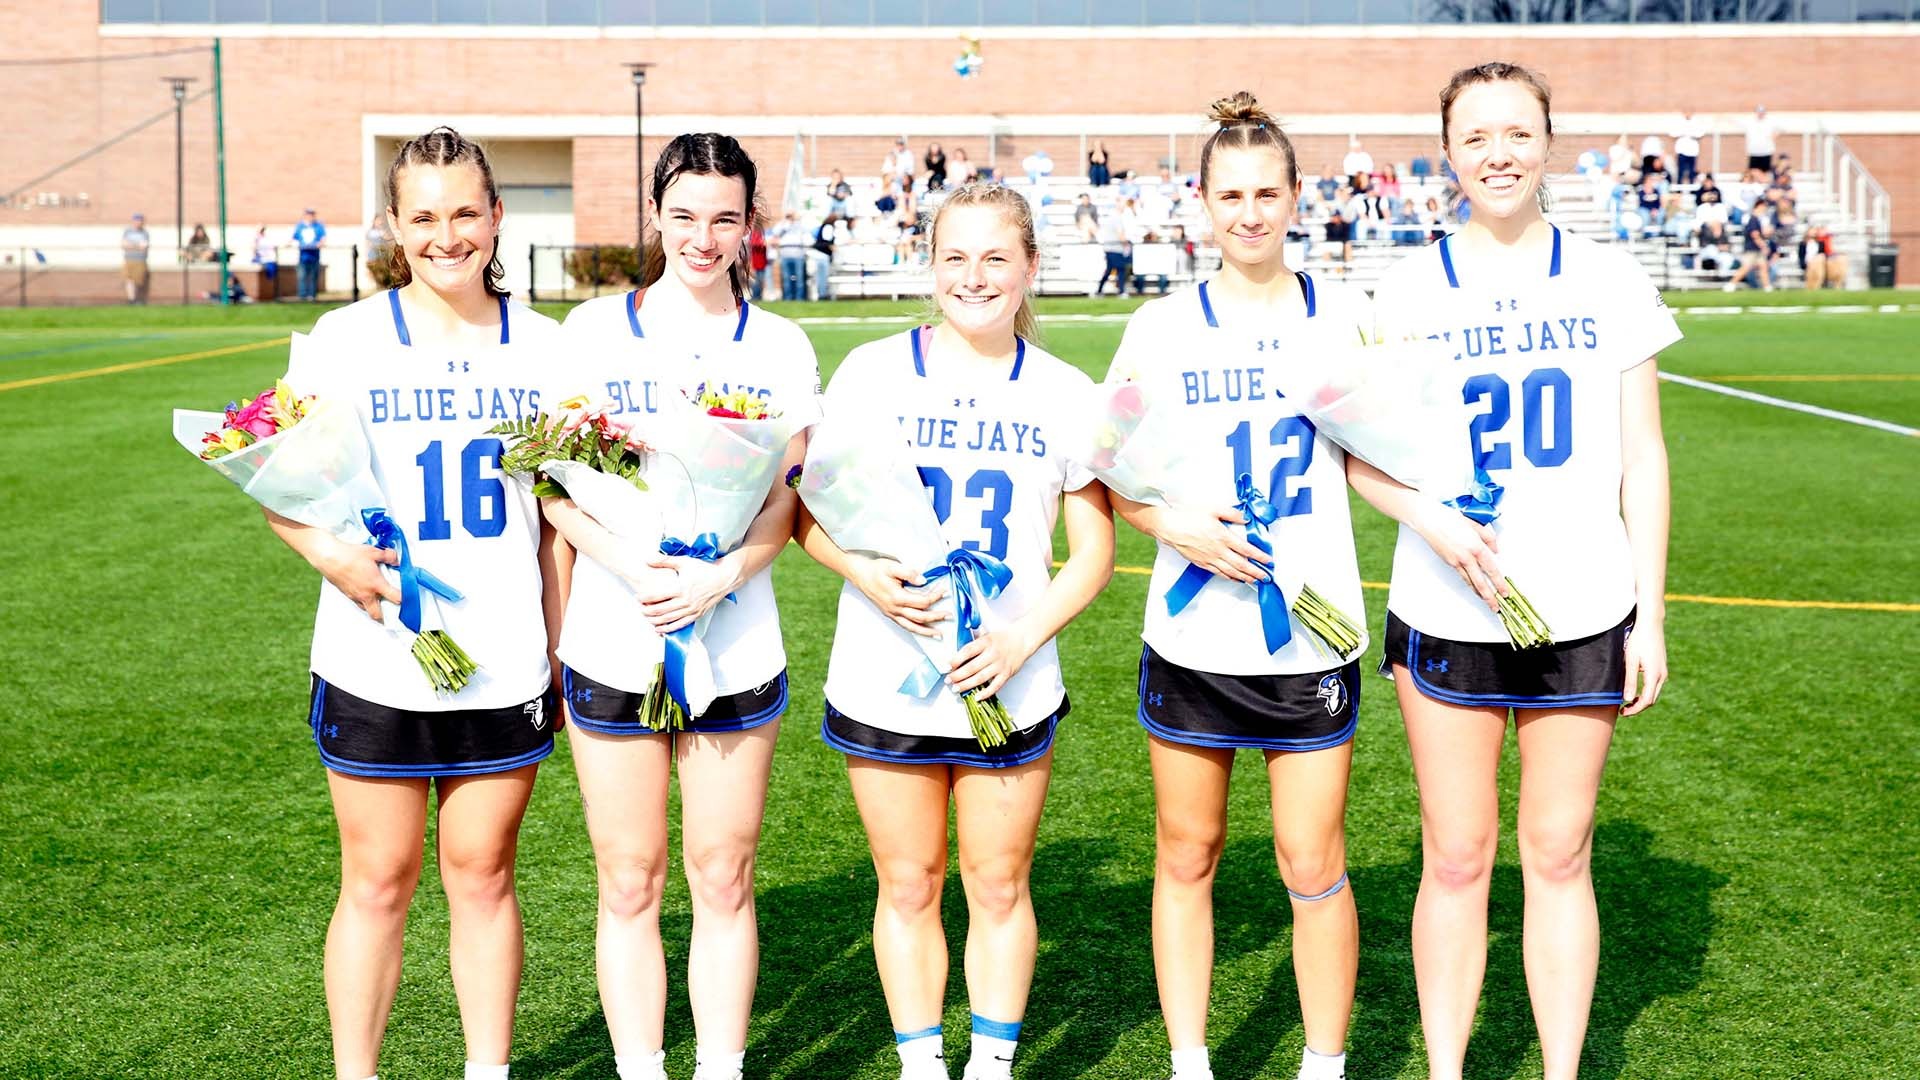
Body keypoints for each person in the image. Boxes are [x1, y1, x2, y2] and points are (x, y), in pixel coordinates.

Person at [1367, 62, 1678, 1080]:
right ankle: (1448, 1069)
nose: (1496, 154)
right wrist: (1432, 521)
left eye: (1516, 132)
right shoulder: (1406, 288)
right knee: (1455, 858)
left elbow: (1643, 456)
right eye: (1474, 137)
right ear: (1446, 149)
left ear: (1549, 137)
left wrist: (1654, 616)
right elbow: (1357, 453)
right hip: (1447, 608)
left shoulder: (1608, 277)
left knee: (1558, 854)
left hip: (1584, 605)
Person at [795, 179, 1114, 1080]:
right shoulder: (871, 372)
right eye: (954, 257)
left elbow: (1092, 551)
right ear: (927, 265)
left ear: (1029, 269)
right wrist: (863, 574)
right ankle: (921, 1063)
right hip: (885, 670)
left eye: (995, 258)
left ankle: (992, 1065)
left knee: (1000, 885)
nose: (974, 277)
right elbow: (806, 517)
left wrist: (1021, 640)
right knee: (907, 884)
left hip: (1007, 674)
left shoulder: (1063, 390)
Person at [269, 127, 564, 1080]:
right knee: (378, 881)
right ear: (394, 225)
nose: (448, 236)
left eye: (466, 213)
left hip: (503, 656)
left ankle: (490, 1071)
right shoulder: (344, 340)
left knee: (482, 876)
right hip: (375, 658)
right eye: (424, 216)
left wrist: (554, 656)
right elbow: (279, 484)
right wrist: (333, 560)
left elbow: (559, 520)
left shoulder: (549, 350)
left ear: (497, 217)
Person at [1106, 90, 1382, 1080]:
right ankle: (1191, 1061)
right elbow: (1106, 469)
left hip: (1311, 636)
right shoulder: (1162, 325)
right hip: (1195, 640)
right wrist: (1171, 523)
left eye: (1269, 193)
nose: (1252, 213)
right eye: (1232, 195)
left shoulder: (1346, 316)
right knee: (1188, 852)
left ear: (1299, 196)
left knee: (1312, 862)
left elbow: (1380, 455)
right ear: (1202, 202)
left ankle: (1323, 1062)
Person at [545, 132, 819, 1080]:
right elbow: (552, 485)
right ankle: (640, 1067)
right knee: (628, 879)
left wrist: (724, 573)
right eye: (686, 215)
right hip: (616, 636)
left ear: (750, 225)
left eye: (725, 218)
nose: (704, 238)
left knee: (723, 874)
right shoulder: (589, 332)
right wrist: (627, 562)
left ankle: (720, 1067)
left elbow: (789, 495)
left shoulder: (779, 345)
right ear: (656, 214)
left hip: (732, 639)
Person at [774, 211, 811, 301]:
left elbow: (806, 235)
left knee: (799, 278)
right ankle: (788, 298)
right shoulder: (783, 225)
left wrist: (797, 219)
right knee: (787, 278)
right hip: (785, 254)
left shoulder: (800, 225)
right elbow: (775, 231)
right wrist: (785, 220)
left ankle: (799, 298)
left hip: (798, 255)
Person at [294, 207, 327, 300]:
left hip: (314, 255)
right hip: (303, 256)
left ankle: (312, 295)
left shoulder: (318, 225)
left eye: (312, 215)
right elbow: (294, 237)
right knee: (302, 276)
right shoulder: (300, 226)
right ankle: (302, 295)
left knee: (313, 276)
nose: (310, 216)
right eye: (308, 214)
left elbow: (323, 238)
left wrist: (320, 243)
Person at [121, 212, 150, 304]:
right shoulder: (128, 231)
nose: (138, 222)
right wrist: (137, 246)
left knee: (139, 280)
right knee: (129, 279)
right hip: (129, 259)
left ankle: (139, 299)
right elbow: (124, 245)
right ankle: (131, 299)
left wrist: (132, 245)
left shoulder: (145, 233)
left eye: (140, 220)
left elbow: (144, 246)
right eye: (137, 220)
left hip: (140, 260)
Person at [1672, 109, 1706, 186]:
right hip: (1682, 151)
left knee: (1692, 171)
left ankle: (1691, 187)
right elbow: (1673, 133)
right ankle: (1679, 189)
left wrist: (1689, 132)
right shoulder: (1679, 122)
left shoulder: (1696, 123)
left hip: (1692, 152)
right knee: (1680, 171)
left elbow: (1700, 134)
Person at [1744, 105, 1776, 172]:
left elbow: (1782, 129)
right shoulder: (1750, 123)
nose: (1760, 114)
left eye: (1762, 112)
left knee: (1765, 172)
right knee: (1753, 172)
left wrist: (1774, 136)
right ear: (1756, 113)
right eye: (1759, 112)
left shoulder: (1770, 123)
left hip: (1766, 152)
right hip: (1754, 152)